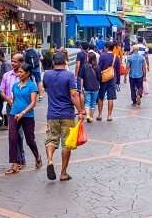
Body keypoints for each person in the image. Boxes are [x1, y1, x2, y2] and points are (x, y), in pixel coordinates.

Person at [43, 52, 85, 181]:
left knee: (51, 139)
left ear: (53, 62)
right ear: (66, 61)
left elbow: (46, 89)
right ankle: (63, 173)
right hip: (67, 113)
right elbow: (74, 95)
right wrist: (81, 111)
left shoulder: (47, 75)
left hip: (52, 113)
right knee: (67, 143)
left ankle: (50, 160)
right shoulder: (69, 75)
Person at [6, 63, 42, 174]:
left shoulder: (32, 86)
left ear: (28, 74)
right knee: (12, 138)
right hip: (14, 114)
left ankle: (37, 156)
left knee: (29, 140)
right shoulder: (15, 86)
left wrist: (23, 112)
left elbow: (33, 103)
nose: (19, 74)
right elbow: (15, 99)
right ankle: (15, 164)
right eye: (19, 72)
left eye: (21, 72)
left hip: (27, 116)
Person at [0, 53, 25, 163]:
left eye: (15, 61)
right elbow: (1, 90)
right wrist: (7, 99)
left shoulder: (25, 75)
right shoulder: (6, 75)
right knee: (13, 133)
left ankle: (21, 156)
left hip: (23, 108)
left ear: (21, 63)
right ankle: (18, 159)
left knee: (20, 133)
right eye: (12, 61)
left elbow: (31, 91)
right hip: (11, 107)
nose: (12, 63)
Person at [96, 42, 119, 121]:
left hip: (103, 79)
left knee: (100, 97)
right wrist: (118, 82)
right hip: (112, 79)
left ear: (107, 48)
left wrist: (98, 79)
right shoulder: (116, 57)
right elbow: (118, 71)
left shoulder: (102, 56)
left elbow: (99, 68)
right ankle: (109, 116)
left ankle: (99, 114)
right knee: (110, 98)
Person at [80, 51, 101, 123]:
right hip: (95, 87)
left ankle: (88, 115)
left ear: (88, 58)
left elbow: (81, 77)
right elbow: (99, 78)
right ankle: (91, 116)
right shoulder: (97, 67)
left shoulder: (84, 66)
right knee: (93, 103)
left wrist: (81, 87)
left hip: (87, 87)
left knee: (87, 102)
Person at [0, 49, 11, 129]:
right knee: (1, 104)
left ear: (0, 55)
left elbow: (7, 77)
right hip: (2, 87)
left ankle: (4, 122)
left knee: (2, 104)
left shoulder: (6, 64)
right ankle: (3, 122)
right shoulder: (4, 64)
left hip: (5, 89)